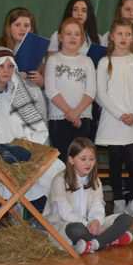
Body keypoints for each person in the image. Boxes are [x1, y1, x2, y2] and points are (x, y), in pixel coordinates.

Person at [0, 50, 59, 212]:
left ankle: (36, 216)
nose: (6, 70)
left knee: (53, 167)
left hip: (21, 154)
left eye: (10, 66)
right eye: (1, 66)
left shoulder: (18, 96)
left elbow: (34, 129)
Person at [43, 138, 133, 255]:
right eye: (83, 159)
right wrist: (91, 226)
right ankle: (110, 239)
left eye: (92, 159)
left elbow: (98, 206)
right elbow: (65, 215)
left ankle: (93, 244)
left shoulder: (95, 181)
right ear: (71, 160)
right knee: (76, 229)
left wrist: (96, 221)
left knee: (126, 218)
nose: (88, 163)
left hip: (91, 225)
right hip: (66, 224)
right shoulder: (60, 180)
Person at [95, 18, 133, 209]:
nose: (123, 37)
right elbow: (101, 93)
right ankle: (117, 198)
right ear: (111, 36)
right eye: (119, 33)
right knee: (115, 161)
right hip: (113, 120)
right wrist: (119, 114)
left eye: (127, 34)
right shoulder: (104, 62)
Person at [44, 19, 97, 161]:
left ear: (82, 38)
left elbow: (91, 91)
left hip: (82, 118)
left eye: (77, 34)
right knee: (63, 159)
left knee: (81, 158)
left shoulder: (87, 61)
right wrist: (70, 112)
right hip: (59, 117)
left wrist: (77, 112)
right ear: (60, 37)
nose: (73, 37)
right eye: (68, 34)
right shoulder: (53, 60)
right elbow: (51, 90)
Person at [0, 8, 44, 88]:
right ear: (9, 27)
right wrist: (11, 78)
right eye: (17, 25)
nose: (22, 29)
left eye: (26, 25)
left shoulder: (37, 48)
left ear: (31, 28)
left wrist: (39, 79)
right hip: (5, 93)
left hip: (33, 92)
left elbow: (45, 84)